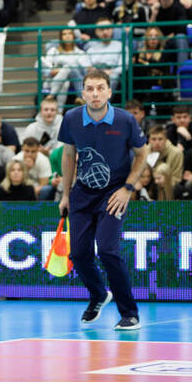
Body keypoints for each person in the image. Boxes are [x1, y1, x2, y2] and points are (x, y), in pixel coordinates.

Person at [57, 69, 147, 330]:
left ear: (109, 92)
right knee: (79, 253)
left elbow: (142, 154)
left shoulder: (125, 120)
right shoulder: (72, 118)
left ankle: (129, 313)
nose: (95, 93)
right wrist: (65, 194)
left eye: (100, 88)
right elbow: (68, 155)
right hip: (82, 193)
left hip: (113, 194)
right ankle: (98, 294)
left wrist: (128, 188)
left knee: (107, 249)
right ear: (83, 93)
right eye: (90, 89)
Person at [42, 28, 90, 99]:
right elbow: (45, 66)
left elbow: (86, 70)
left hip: (74, 82)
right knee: (65, 80)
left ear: (74, 36)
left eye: (70, 33)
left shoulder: (80, 53)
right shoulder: (53, 51)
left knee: (68, 70)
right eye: (64, 34)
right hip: (54, 79)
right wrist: (51, 72)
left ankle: (52, 96)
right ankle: (82, 98)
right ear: (60, 38)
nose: (67, 36)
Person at [84, 19, 124, 91]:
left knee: (114, 76)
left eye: (108, 29)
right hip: (94, 76)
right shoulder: (91, 48)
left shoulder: (121, 46)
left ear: (112, 30)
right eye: (101, 29)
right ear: (96, 32)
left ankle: (104, 98)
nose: (105, 32)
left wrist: (112, 72)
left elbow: (123, 66)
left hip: (112, 76)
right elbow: (87, 65)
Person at [132, 27, 169, 102]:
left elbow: (161, 66)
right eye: (150, 36)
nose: (153, 38)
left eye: (156, 36)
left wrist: (145, 63)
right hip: (140, 82)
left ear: (159, 39)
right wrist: (150, 64)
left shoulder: (164, 52)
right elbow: (136, 66)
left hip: (156, 80)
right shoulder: (140, 53)